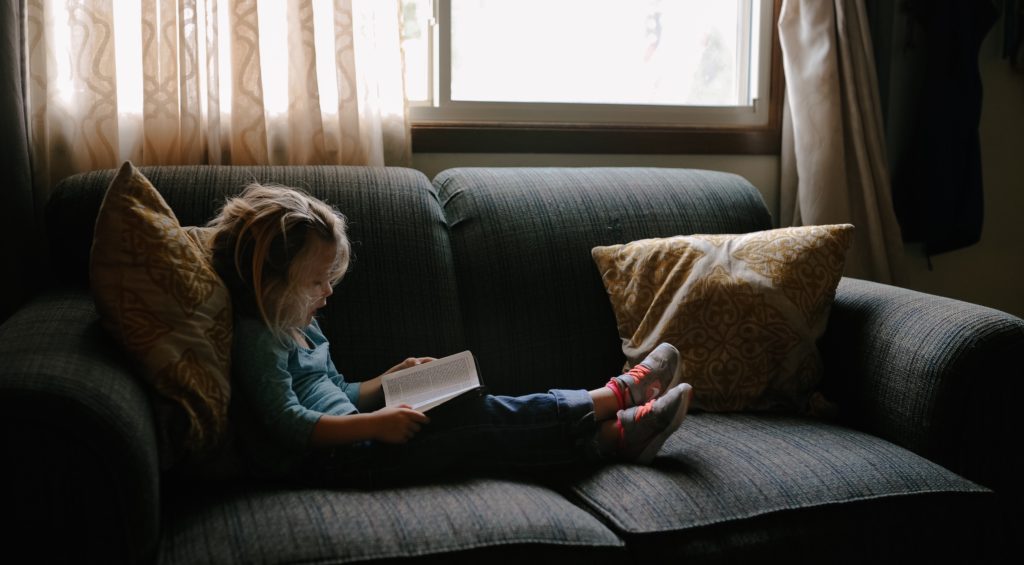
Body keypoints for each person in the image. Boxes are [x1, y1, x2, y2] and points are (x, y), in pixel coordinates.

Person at [208, 183, 694, 485]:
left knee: (473, 415)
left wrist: (386, 381)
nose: (328, 292)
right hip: (339, 462)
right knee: (472, 422)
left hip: (358, 439)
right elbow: (290, 422)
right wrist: (375, 424)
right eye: (316, 281)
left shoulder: (301, 323)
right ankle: (614, 397)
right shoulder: (259, 337)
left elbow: (338, 393)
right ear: (270, 281)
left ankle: (614, 436)